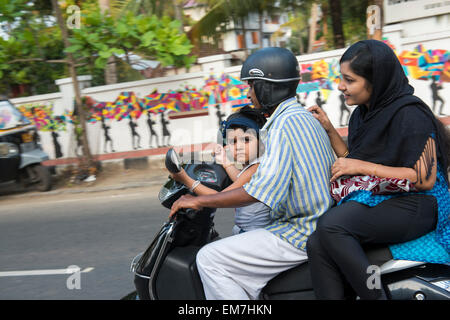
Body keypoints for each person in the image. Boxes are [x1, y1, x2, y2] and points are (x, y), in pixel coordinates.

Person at [170, 47, 336, 300]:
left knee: (209, 258)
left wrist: (198, 199)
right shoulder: (302, 117)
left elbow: (256, 192)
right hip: (318, 222)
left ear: (267, 86)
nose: (249, 93)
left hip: (300, 230)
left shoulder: (283, 125)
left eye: (251, 86)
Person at [307, 40, 450, 300]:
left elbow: (424, 179)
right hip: (387, 195)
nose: (340, 86)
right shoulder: (363, 114)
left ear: (376, 81)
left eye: (349, 80)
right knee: (317, 241)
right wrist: (328, 129)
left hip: (421, 202)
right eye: (341, 78)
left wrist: (359, 165)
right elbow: (356, 160)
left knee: (332, 226)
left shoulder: (411, 114)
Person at [170, 106, 271, 235]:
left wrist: (186, 180)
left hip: (256, 234)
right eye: (233, 142)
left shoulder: (257, 167)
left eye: (246, 140)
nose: (239, 146)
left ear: (261, 141)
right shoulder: (250, 167)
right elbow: (240, 180)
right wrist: (224, 160)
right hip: (246, 231)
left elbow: (219, 198)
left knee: (206, 254)